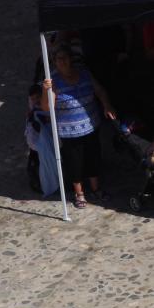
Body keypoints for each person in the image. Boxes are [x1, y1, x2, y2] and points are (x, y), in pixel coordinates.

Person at [41, 44, 116, 209]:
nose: (63, 62)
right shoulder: (53, 81)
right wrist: (46, 91)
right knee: (74, 162)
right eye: (59, 59)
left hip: (91, 124)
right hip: (69, 131)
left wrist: (107, 105)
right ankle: (79, 193)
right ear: (54, 62)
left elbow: (100, 90)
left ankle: (96, 189)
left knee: (93, 157)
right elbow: (47, 108)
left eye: (66, 58)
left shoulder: (84, 74)